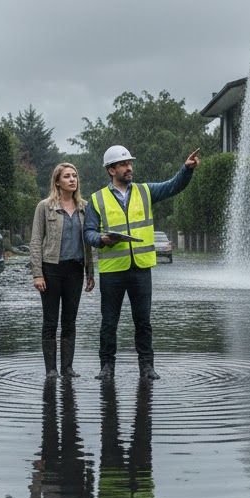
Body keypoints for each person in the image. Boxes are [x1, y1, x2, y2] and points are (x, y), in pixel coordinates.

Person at [83, 145, 200, 381]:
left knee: (143, 321)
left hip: (141, 269)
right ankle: (107, 367)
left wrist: (186, 170)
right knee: (109, 323)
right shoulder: (96, 199)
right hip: (112, 271)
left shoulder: (145, 191)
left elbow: (172, 186)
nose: (129, 168)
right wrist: (101, 239)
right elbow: (88, 233)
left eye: (130, 163)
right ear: (111, 170)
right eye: (124, 164)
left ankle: (147, 367)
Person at [30, 162, 95, 378]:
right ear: (57, 181)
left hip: (75, 270)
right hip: (51, 269)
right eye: (67, 176)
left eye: (74, 176)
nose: (72, 179)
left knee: (70, 321)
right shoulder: (45, 206)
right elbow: (36, 241)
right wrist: (37, 273)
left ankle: (67, 367)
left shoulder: (85, 207)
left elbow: (88, 243)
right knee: (50, 321)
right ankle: (51, 370)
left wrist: (90, 273)